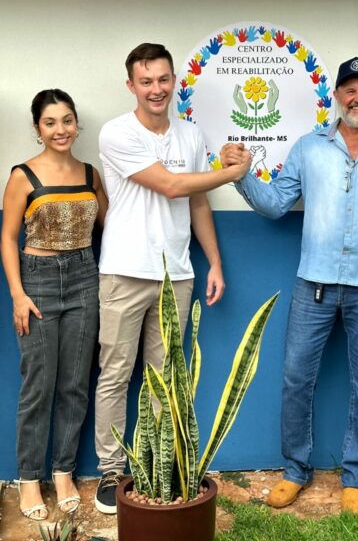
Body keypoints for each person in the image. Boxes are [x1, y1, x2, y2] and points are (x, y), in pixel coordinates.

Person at [221, 57, 358, 514]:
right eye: (349, 89)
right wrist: (242, 175)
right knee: (297, 378)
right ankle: (295, 471)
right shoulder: (309, 147)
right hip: (313, 284)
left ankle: (355, 477)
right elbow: (275, 204)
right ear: (336, 95)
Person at [94, 42, 251, 514]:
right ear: (131, 86)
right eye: (146, 81)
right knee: (116, 375)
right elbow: (170, 185)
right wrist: (229, 172)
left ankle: (158, 470)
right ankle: (109, 472)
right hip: (124, 271)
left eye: (163, 80)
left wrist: (215, 262)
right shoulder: (115, 133)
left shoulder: (190, 134)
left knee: (167, 378)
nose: (156, 89)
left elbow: (195, 203)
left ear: (173, 81)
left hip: (177, 276)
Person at [1, 89, 107, 521]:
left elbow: (112, 223)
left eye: (67, 120)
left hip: (85, 278)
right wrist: (18, 294)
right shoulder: (23, 175)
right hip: (38, 282)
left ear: (77, 123)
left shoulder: (89, 173)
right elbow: (8, 237)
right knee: (38, 386)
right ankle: (30, 477)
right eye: (51, 122)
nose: (61, 129)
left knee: (75, 384)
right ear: (37, 128)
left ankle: (62, 471)